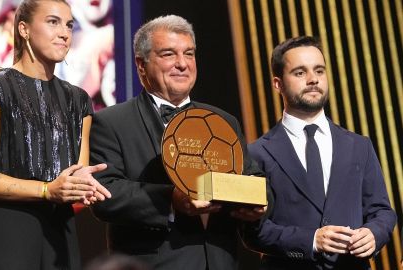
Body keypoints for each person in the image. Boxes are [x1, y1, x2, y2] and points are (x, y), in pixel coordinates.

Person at [90, 15, 266, 270]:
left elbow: (255, 178)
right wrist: (170, 200)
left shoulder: (223, 120)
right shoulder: (111, 122)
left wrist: (257, 203)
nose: (183, 64)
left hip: (221, 262)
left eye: (189, 53)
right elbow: (104, 194)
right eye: (169, 54)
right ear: (141, 65)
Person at [0, 1, 111, 269]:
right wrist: (45, 190)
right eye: (53, 22)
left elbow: (77, 174)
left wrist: (83, 186)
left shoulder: (79, 101)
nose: (64, 32)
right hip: (6, 231)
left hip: (58, 237)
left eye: (69, 25)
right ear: (24, 29)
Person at [245, 36, 396, 269]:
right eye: (299, 73)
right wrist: (311, 241)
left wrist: (374, 234)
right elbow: (252, 230)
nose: (313, 79)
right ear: (278, 84)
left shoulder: (359, 146)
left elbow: (382, 211)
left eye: (319, 70)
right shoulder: (257, 153)